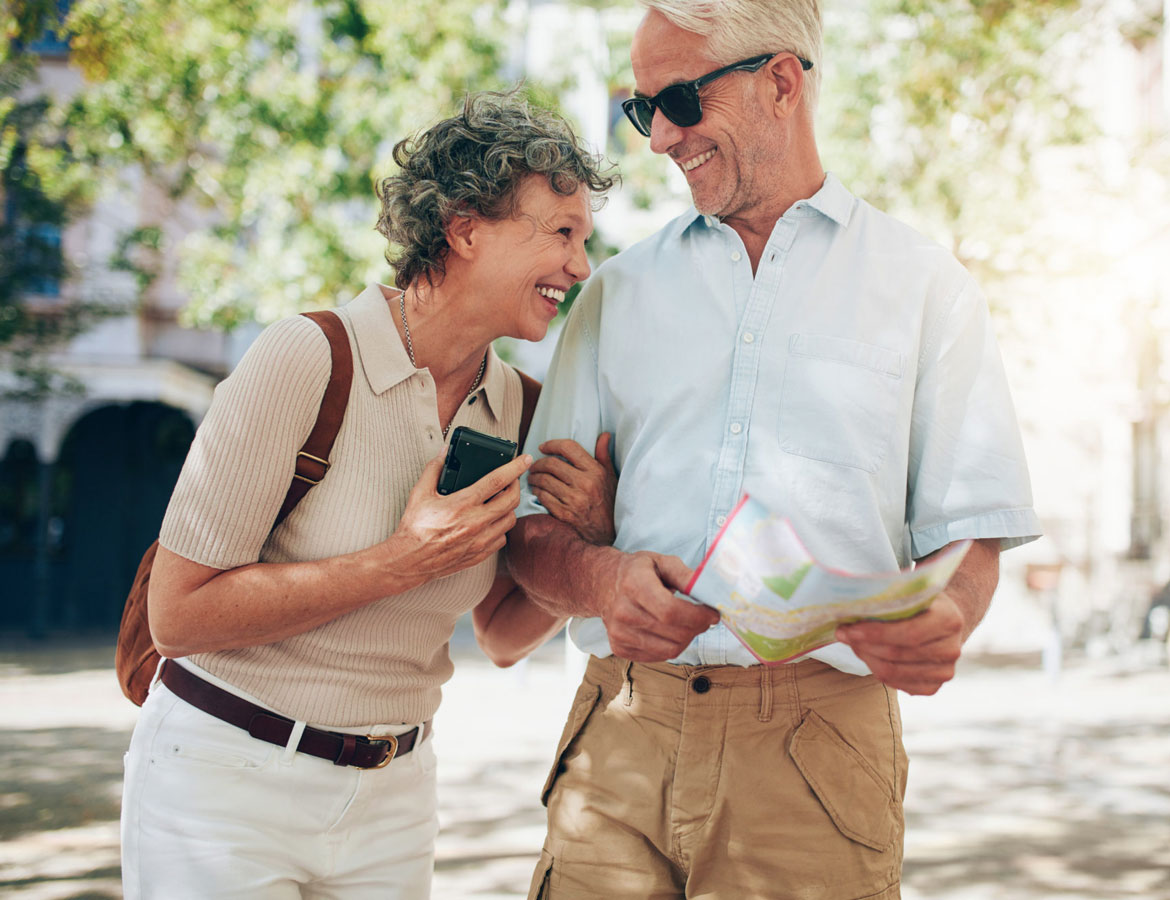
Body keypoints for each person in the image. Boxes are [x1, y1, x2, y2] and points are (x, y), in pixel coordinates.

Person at [507, 2, 1043, 898]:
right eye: (644, 110)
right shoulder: (615, 295)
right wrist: (601, 581)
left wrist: (948, 617)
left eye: (678, 99)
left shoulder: (926, 290)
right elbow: (529, 536)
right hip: (621, 736)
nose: (660, 138)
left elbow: (971, 536)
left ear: (782, 81)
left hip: (816, 757)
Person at [119, 90, 619, 899]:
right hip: (222, 783)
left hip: (394, 796)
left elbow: (499, 632)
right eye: (560, 234)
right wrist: (398, 563)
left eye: (583, 239)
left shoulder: (521, 409)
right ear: (464, 229)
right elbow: (178, 615)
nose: (580, 266)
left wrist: (593, 537)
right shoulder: (308, 359)